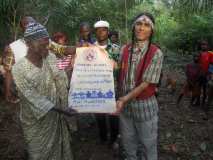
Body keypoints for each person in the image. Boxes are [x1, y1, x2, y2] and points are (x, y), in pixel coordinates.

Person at [12, 22, 74, 160]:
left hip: (55, 117)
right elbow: (33, 98)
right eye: (43, 44)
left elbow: (61, 78)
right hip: (35, 123)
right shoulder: (18, 69)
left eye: (48, 44)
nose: (48, 47)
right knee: (38, 153)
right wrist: (62, 110)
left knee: (58, 150)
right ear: (28, 44)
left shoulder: (49, 57)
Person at [116, 13, 163, 160]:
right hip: (125, 108)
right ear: (133, 27)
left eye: (146, 25)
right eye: (138, 24)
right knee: (128, 143)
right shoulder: (124, 49)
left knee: (148, 145)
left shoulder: (156, 53)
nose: (141, 28)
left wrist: (123, 99)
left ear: (152, 30)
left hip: (144, 106)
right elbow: (117, 68)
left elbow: (145, 84)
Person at [93, 20, 120, 147]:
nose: (101, 32)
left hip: (112, 88)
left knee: (113, 116)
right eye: (98, 30)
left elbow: (122, 68)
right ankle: (103, 137)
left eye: (103, 30)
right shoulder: (90, 48)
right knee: (99, 116)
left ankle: (113, 139)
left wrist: (116, 66)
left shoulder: (116, 49)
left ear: (108, 32)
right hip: (96, 88)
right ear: (95, 32)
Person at [3, 16, 35, 103]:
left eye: (32, 24)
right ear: (22, 28)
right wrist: (7, 92)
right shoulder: (13, 47)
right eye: (26, 24)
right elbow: (8, 72)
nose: (30, 26)